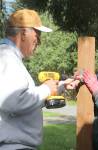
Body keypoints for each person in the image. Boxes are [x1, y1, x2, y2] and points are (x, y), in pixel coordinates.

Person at [0, 9, 58, 150]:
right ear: (24, 33)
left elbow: (21, 97)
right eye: (37, 35)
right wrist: (46, 89)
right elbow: (12, 101)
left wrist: (59, 86)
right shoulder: (7, 58)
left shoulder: (7, 57)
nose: (39, 41)